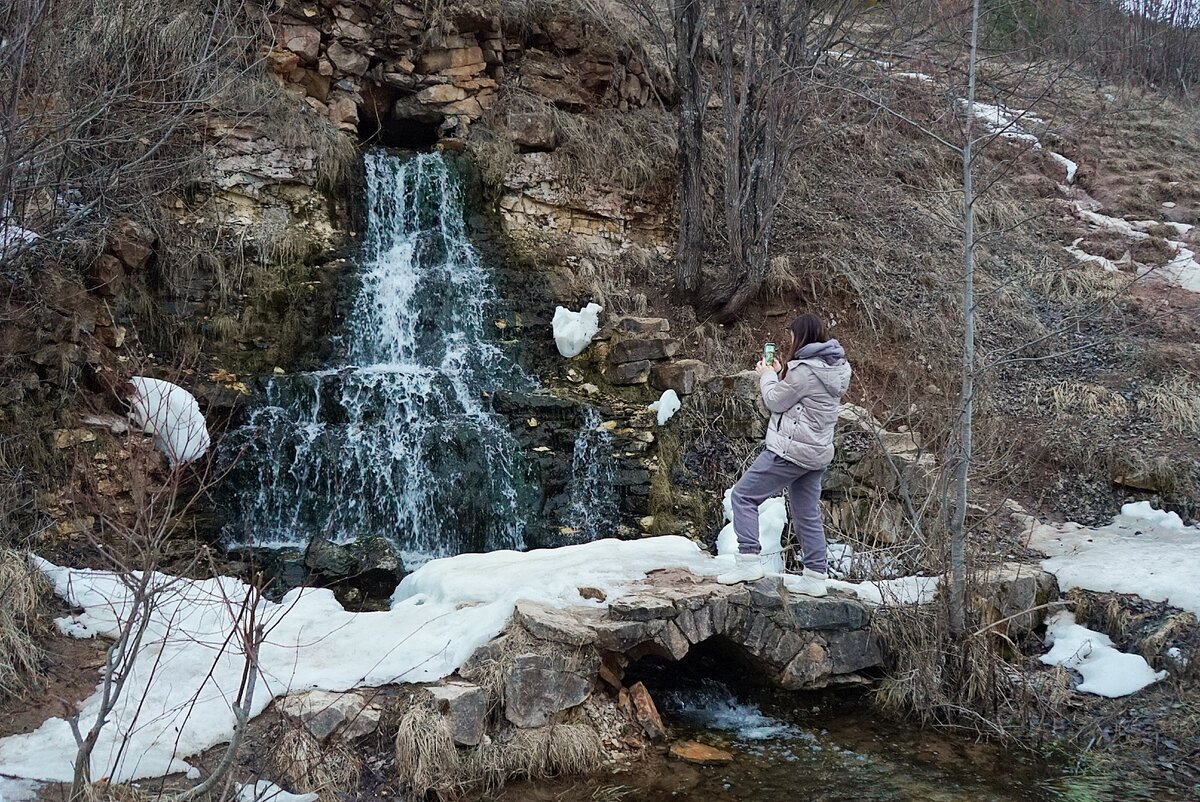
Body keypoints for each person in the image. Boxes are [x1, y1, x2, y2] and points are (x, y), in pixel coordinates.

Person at [716, 313, 851, 596]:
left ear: (801, 336)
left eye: (791, 335)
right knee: (806, 514)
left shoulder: (804, 371)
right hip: (816, 453)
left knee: (743, 496)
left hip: (791, 450)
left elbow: (775, 401)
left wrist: (766, 377)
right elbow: (800, 396)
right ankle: (815, 576)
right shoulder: (834, 367)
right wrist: (779, 375)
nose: (789, 340)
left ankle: (748, 560)